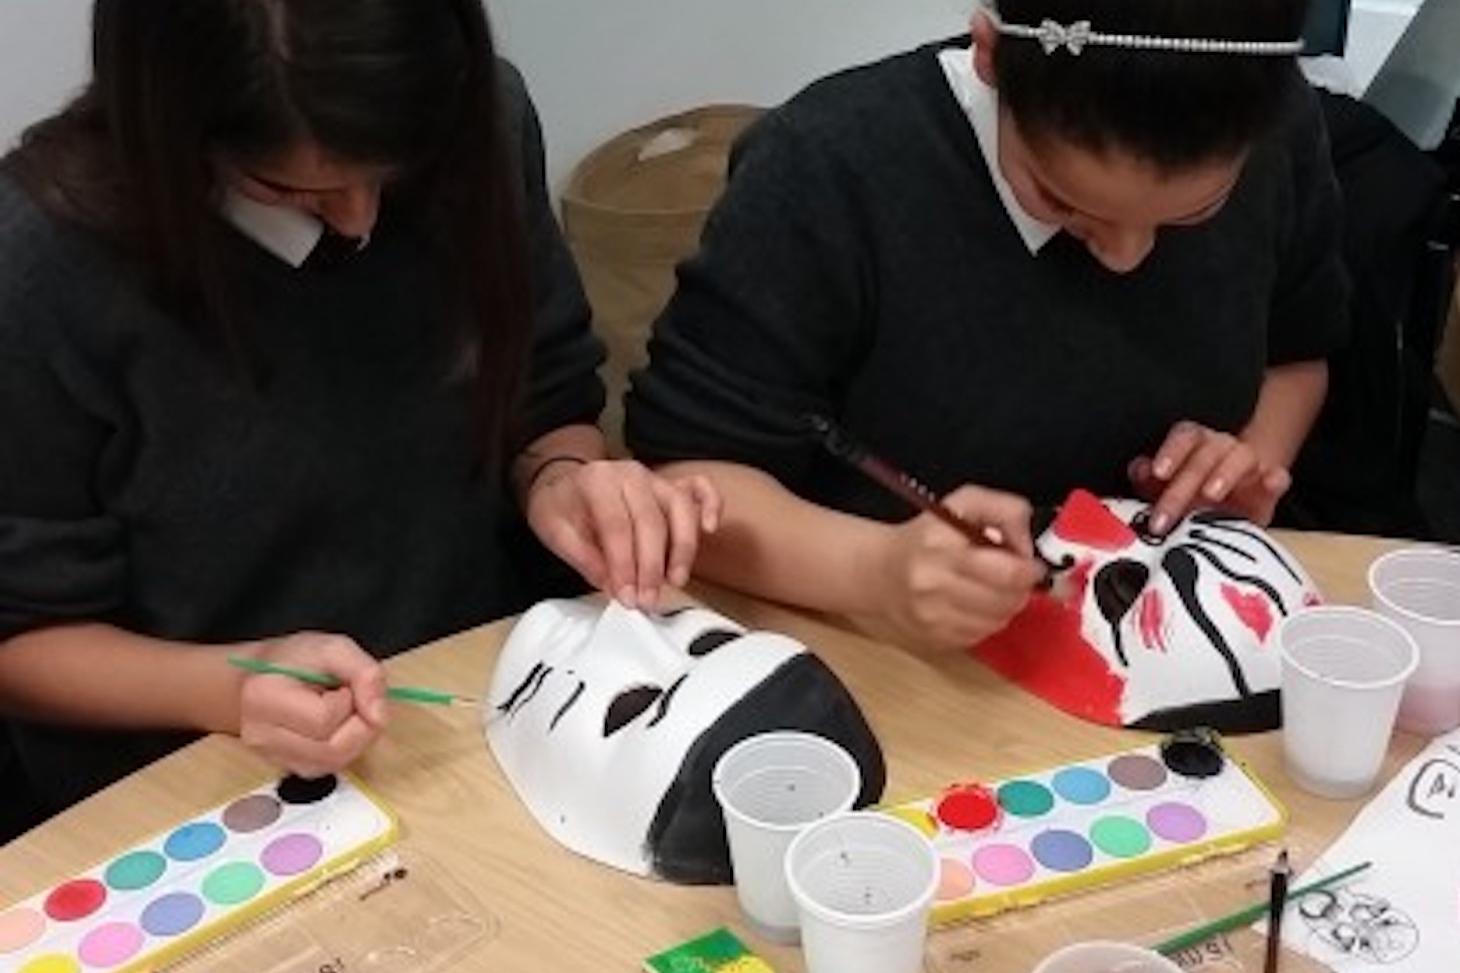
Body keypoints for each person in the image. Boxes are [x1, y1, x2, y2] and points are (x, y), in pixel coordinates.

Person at [0, 0, 718, 823]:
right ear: (172, 131)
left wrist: (564, 473)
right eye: (294, 190)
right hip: (198, 791)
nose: (360, 221)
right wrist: (233, 687)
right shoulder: (42, 269)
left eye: (388, 174)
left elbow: (545, 388)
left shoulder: (471, 123)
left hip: (474, 712)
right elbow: (21, 637)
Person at [626, 0, 1348, 654]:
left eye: (1191, 213)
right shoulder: (830, 167)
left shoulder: (1277, 132)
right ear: (991, 55)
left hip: (1162, 650)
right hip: (880, 660)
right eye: (1063, 201)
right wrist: (874, 571)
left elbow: (1296, 354)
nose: (1128, 259)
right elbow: (685, 478)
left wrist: (1242, 471)